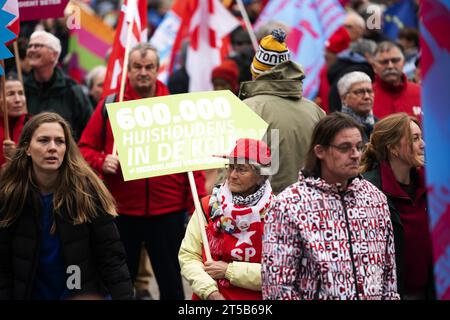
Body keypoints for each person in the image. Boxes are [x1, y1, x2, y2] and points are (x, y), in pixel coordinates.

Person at [79, 43, 206, 300]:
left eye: (149, 67)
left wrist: (198, 208)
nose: (143, 72)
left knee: (171, 284)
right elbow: (83, 149)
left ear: (158, 69)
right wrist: (102, 160)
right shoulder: (111, 105)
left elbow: (194, 162)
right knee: (120, 283)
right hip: (122, 211)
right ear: (128, 69)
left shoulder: (176, 108)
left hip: (168, 213)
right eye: (137, 66)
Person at [262, 112, 399, 300]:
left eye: (359, 147)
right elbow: (278, 287)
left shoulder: (375, 198)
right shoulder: (288, 204)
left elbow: (388, 276)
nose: (355, 155)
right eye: (345, 148)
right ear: (320, 151)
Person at [0, 112, 133, 300]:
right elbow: (3, 267)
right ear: (27, 148)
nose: (52, 148)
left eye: (59, 141)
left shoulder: (87, 192)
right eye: (44, 140)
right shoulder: (10, 195)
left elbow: (111, 257)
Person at [179, 138, 274, 300]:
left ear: (260, 176)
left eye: (241, 170)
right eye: (230, 167)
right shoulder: (208, 206)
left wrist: (229, 271)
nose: (232, 175)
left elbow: (280, 271)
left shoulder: (277, 211)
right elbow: (189, 256)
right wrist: (210, 293)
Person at [239, 28, 325, 194]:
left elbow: (233, 171)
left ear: (255, 74)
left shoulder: (248, 109)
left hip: (263, 212)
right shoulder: (316, 111)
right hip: (311, 209)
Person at [361, 113, 435, 299]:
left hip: (431, 290)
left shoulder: (432, 185)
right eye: (415, 138)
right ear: (393, 148)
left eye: (422, 137)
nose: (423, 144)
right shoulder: (369, 191)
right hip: (393, 293)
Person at [24, 31, 93, 141]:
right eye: (30, 46)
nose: (31, 50)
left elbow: (89, 132)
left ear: (54, 54)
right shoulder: (21, 89)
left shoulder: (73, 90)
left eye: (38, 46)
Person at [371, 41, 422, 121]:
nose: (390, 66)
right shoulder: (367, 97)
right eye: (384, 62)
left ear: (404, 62)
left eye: (395, 60)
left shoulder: (421, 93)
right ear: (374, 66)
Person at [337, 71, 376, 142]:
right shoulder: (336, 127)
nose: (367, 97)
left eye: (369, 91)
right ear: (344, 98)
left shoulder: (380, 125)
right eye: (359, 92)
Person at [1, 76, 31, 167]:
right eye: (10, 94)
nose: (18, 100)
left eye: (21, 93)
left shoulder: (34, 125)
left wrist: (16, 156)